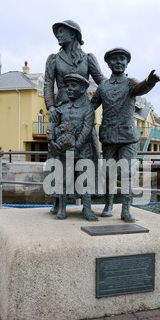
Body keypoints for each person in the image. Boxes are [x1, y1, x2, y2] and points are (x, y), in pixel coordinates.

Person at [91, 47, 160, 223]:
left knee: (127, 173)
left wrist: (149, 82)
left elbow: (140, 88)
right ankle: (108, 205)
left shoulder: (130, 83)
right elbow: (90, 106)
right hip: (108, 138)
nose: (118, 62)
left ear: (127, 63)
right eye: (114, 59)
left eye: (122, 59)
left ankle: (126, 210)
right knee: (108, 174)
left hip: (128, 138)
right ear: (107, 64)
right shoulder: (103, 86)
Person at [44, 20, 105, 214]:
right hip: (61, 111)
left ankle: (87, 205)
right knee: (58, 156)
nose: (58, 35)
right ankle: (57, 200)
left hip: (82, 112)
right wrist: (51, 106)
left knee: (86, 158)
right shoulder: (53, 59)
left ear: (74, 34)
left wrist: (91, 105)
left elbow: (102, 83)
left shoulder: (88, 58)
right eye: (57, 33)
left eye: (62, 32)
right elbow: (47, 84)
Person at [47, 73, 98, 221]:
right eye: (67, 85)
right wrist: (51, 140)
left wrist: (77, 145)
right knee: (64, 179)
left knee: (85, 179)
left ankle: (87, 209)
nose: (69, 88)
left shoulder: (88, 109)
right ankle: (62, 208)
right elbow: (52, 124)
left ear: (82, 89)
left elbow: (87, 129)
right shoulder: (60, 108)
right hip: (64, 151)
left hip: (83, 150)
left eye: (73, 85)